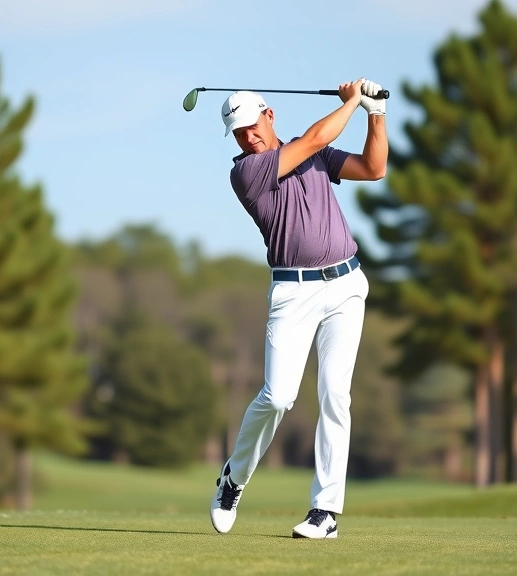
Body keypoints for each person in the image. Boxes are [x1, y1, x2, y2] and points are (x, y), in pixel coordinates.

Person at [209, 78, 388, 539]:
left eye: (252, 126)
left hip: (346, 285)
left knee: (336, 396)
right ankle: (234, 478)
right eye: (238, 133)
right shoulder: (247, 173)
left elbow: (374, 168)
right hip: (293, 293)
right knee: (278, 397)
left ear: (269, 116)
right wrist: (353, 100)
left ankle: (325, 513)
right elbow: (314, 138)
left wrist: (375, 114)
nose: (248, 137)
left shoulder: (315, 156)